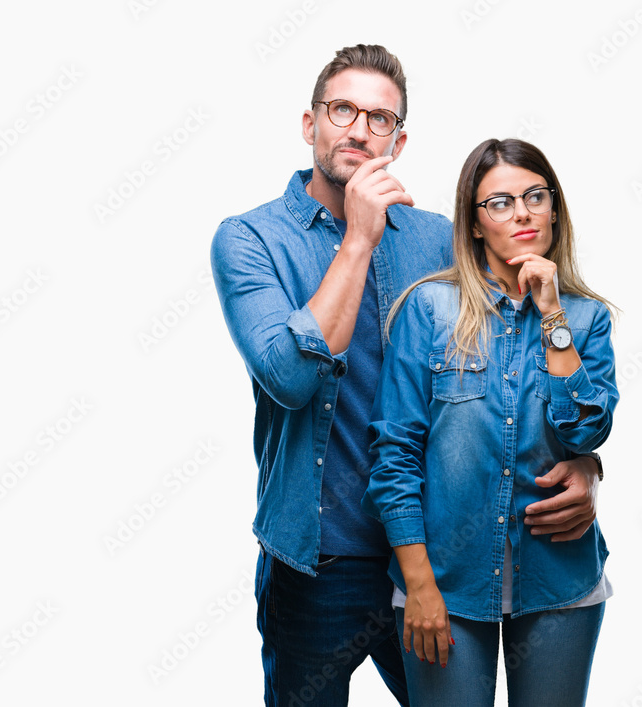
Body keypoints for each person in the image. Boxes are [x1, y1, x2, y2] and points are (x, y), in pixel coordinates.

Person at [210, 45, 605, 706]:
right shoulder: (250, 239)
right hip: (316, 561)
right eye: (343, 110)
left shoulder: (439, 237)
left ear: (398, 139)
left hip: (435, 555)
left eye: (380, 118)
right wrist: (359, 238)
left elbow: (517, 365)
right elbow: (290, 379)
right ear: (311, 124)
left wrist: (583, 461)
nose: (360, 130)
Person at [362, 138, 618, 707]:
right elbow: (395, 454)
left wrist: (552, 313)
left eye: (534, 196)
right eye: (499, 202)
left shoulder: (586, 317)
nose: (522, 212)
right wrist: (420, 585)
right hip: (444, 586)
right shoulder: (428, 309)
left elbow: (585, 432)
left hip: (558, 581)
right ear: (475, 224)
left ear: (555, 208)